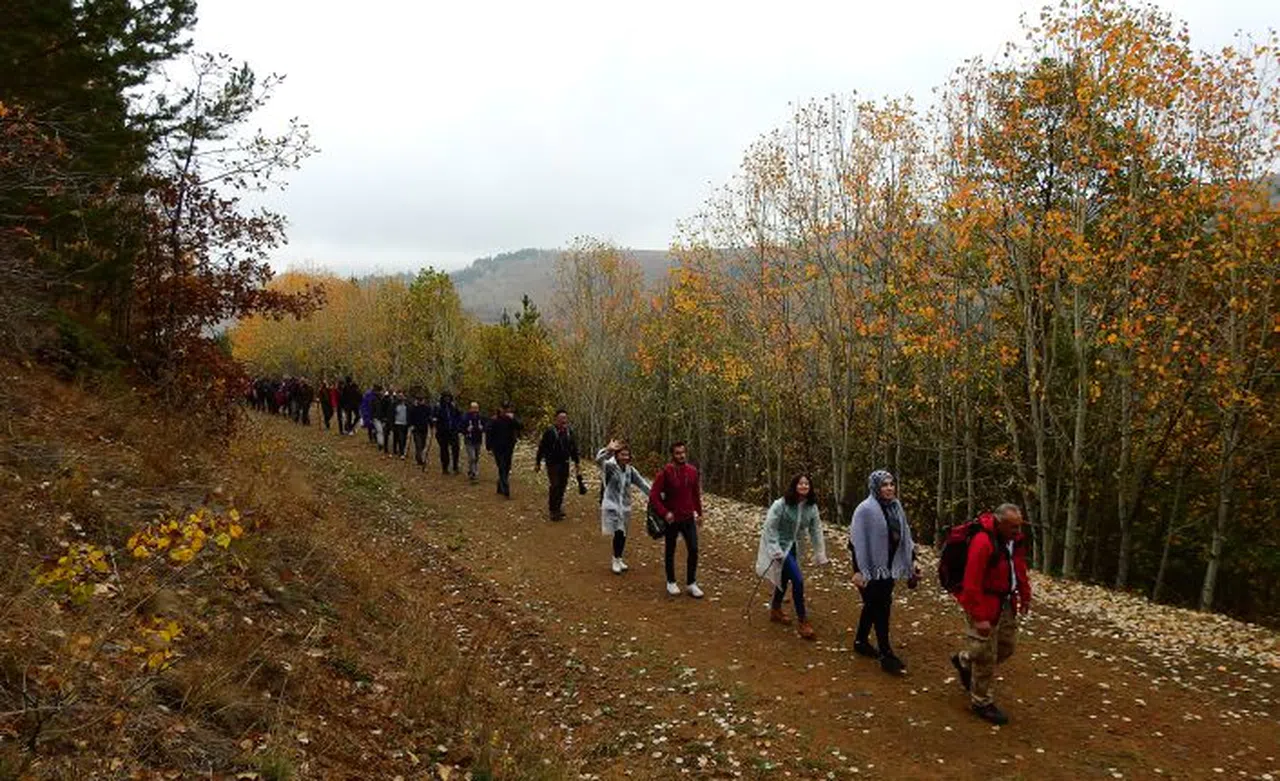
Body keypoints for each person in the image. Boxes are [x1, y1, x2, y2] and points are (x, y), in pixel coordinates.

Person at [950, 503, 1031, 726]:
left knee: (1006, 646)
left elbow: (1018, 567)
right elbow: (971, 582)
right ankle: (981, 701)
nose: (1018, 531)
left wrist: (1025, 594)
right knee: (986, 655)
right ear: (1000, 523)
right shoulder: (983, 542)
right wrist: (978, 616)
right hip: (984, 602)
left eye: (1019, 526)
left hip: (1005, 601)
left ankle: (964, 660)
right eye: (1013, 527)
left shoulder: (1014, 541)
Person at [849, 469, 919, 674]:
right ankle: (886, 653)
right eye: (884, 485)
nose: (889, 488)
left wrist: (912, 560)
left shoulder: (896, 507)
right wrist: (859, 571)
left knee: (874, 605)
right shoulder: (865, 510)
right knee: (880, 606)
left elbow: (905, 536)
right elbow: (855, 543)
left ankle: (861, 641)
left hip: (889, 565)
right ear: (875, 488)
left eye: (891, 484)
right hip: (870, 568)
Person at [755, 474, 829, 640]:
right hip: (780, 546)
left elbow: (815, 530)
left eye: (807, 484)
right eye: (800, 483)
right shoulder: (781, 504)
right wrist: (774, 548)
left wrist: (819, 552)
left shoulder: (811, 507)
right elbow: (770, 527)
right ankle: (803, 620)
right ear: (794, 485)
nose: (804, 486)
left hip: (796, 547)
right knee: (798, 580)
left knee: (785, 577)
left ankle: (775, 609)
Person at [649, 442, 704, 598]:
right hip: (672, 518)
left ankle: (691, 583)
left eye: (683, 452)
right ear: (672, 455)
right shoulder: (665, 473)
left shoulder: (692, 471)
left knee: (693, 548)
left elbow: (695, 494)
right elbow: (654, 495)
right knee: (670, 549)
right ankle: (671, 581)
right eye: (678, 453)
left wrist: (699, 513)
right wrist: (664, 512)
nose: (682, 455)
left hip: (688, 517)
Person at [596, 439, 652, 574]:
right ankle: (615, 559)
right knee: (619, 532)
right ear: (617, 455)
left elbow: (643, 484)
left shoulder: (630, 470)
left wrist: (656, 496)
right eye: (622, 455)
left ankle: (619, 558)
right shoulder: (610, 466)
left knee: (623, 533)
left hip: (625, 506)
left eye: (627, 455)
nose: (625, 458)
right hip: (611, 505)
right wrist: (608, 449)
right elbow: (599, 460)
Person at [534, 409, 580, 521]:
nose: (564, 420)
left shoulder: (569, 432)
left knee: (562, 486)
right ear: (556, 419)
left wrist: (577, 462)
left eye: (565, 418)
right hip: (552, 463)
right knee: (555, 485)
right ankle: (553, 510)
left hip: (565, 463)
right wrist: (538, 462)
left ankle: (558, 508)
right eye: (561, 418)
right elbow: (542, 447)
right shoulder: (550, 431)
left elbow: (573, 448)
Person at [486, 402, 522, 497]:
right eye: (504, 408)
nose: (505, 410)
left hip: (509, 446)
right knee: (501, 466)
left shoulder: (511, 419)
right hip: (497, 447)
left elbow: (520, 427)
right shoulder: (494, 419)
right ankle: (505, 486)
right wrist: (488, 447)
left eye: (507, 408)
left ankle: (500, 485)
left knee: (506, 467)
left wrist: (513, 418)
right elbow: (488, 432)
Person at [434, 392, 462, 474]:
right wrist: (434, 420)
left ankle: (455, 466)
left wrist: (458, 426)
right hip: (442, 432)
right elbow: (433, 416)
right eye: (445, 397)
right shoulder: (438, 407)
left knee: (456, 449)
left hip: (453, 431)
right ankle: (445, 467)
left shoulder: (453, 407)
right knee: (444, 450)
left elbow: (459, 415)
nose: (447, 399)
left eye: (448, 397)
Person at [460, 401, 487, 481]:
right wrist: (466, 430)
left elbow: (486, 426)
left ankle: (471, 470)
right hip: (469, 440)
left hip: (478, 440)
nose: (475, 410)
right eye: (473, 408)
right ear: (470, 408)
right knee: (472, 457)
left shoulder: (481, 417)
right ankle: (474, 473)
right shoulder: (465, 417)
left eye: (476, 408)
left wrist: (482, 428)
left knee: (476, 457)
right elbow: (461, 428)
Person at [409, 391, 433, 468]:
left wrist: (432, 425)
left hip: (424, 429)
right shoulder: (414, 408)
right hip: (416, 429)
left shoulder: (427, 408)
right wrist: (411, 425)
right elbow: (410, 418)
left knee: (423, 444)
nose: (420, 401)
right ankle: (419, 459)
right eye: (419, 399)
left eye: (421, 399)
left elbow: (429, 418)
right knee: (418, 445)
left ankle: (419, 456)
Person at [391, 390, 410, 459]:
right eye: (400, 397)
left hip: (405, 424)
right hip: (397, 423)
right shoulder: (395, 405)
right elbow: (391, 414)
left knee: (404, 438)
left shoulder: (407, 405)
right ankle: (401, 452)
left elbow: (410, 413)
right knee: (400, 437)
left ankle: (401, 450)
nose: (401, 398)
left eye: (402, 396)